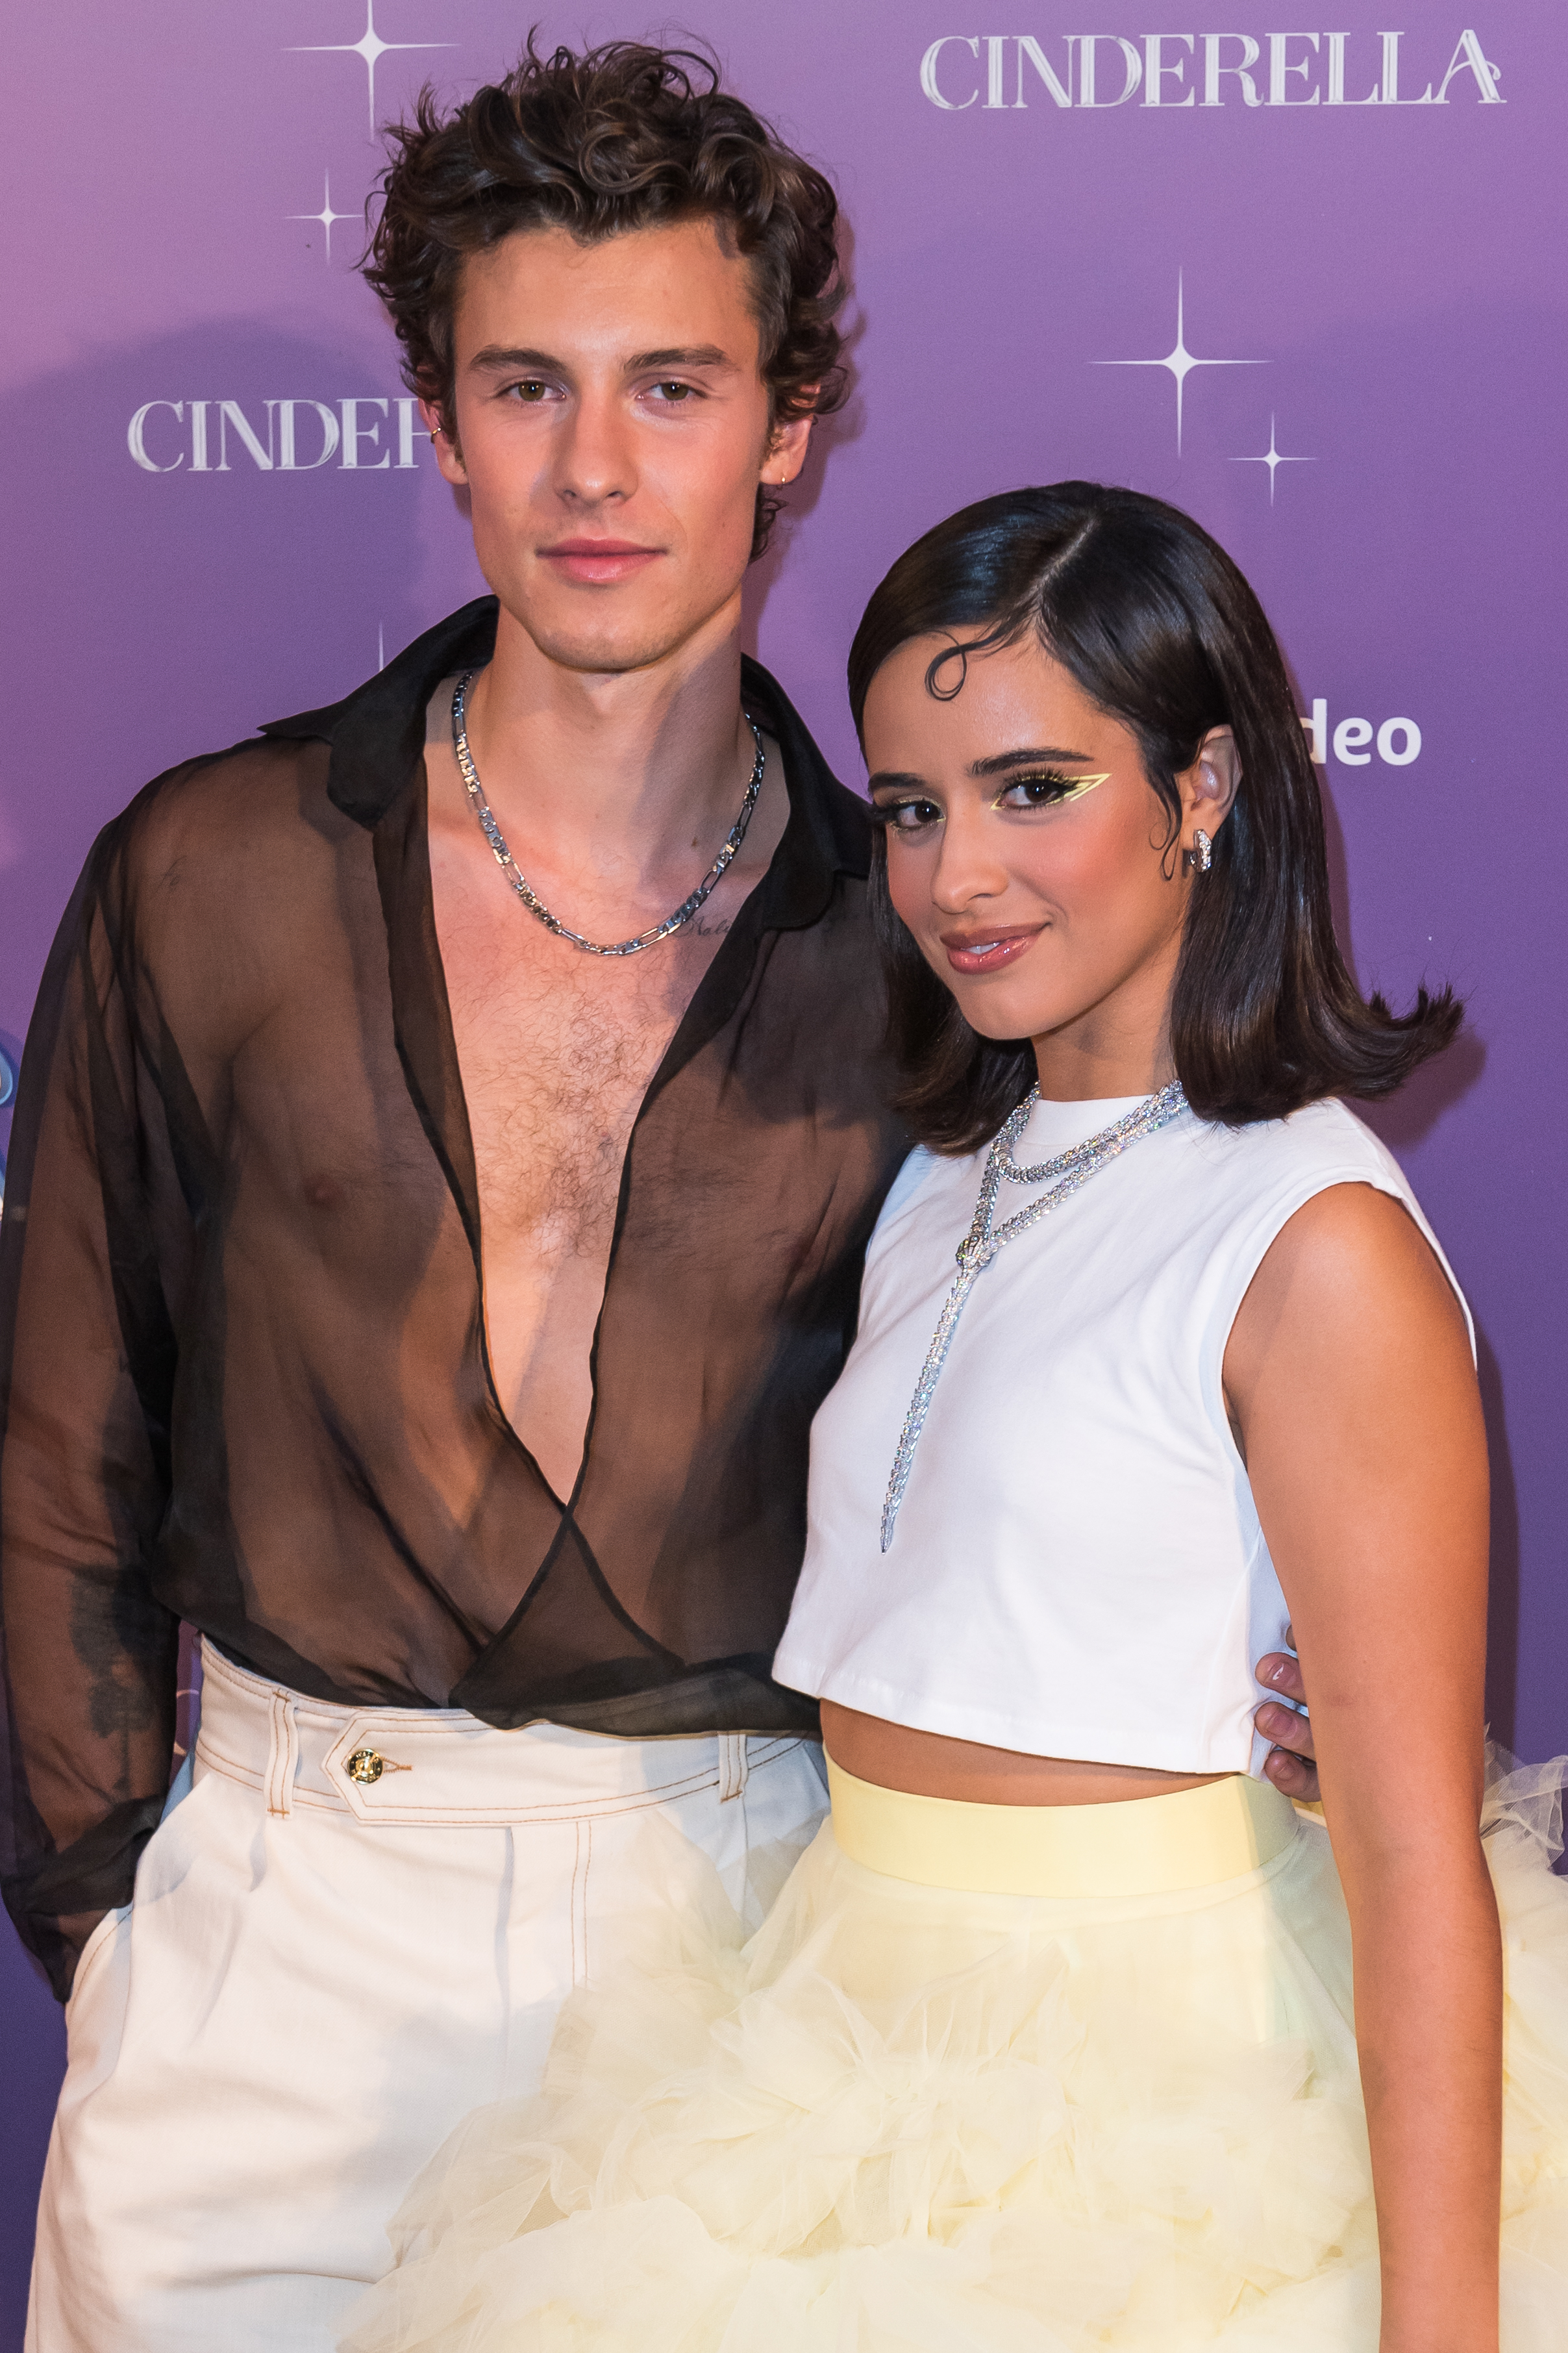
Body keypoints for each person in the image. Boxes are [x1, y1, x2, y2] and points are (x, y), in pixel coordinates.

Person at [0, 41, 1317, 2350]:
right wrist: (118, 1937)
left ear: (788, 426)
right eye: (527, 386)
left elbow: (1147, 1310)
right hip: (266, 1961)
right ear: (442, 423)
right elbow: (56, 1461)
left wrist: (1261, 1672)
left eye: (674, 388)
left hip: (749, 1966)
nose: (595, 470)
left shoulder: (934, 938)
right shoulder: (209, 874)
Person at [342, 484, 1568, 2353]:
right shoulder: (945, 1170)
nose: (956, 877)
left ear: (1203, 788)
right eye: (912, 808)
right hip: (838, 2023)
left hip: (1167, 2108)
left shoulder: (1314, 1238)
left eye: (1033, 789)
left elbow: (1410, 1861)